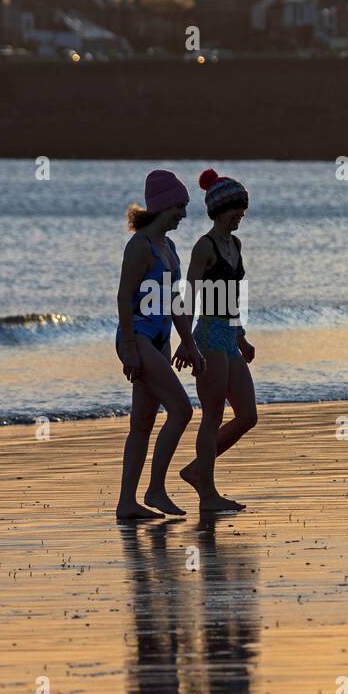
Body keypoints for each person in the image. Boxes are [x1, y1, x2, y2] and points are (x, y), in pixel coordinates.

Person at [115, 169, 205, 521]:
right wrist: (132, 351)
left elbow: (175, 303)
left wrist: (191, 345)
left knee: (142, 423)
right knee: (182, 411)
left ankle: (127, 502)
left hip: (160, 339)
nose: (183, 214)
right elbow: (123, 298)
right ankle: (155, 489)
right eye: (180, 206)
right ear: (164, 206)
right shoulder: (140, 246)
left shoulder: (170, 249)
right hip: (136, 337)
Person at [177, 168, 257, 514]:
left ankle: (197, 470)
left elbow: (232, 296)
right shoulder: (204, 246)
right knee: (211, 416)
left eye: (242, 210)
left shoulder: (235, 244)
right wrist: (185, 341)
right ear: (219, 210)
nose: (240, 216)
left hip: (228, 335)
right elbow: (189, 296)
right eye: (236, 210)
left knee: (247, 416)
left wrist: (241, 336)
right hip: (207, 335)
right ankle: (207, 494)